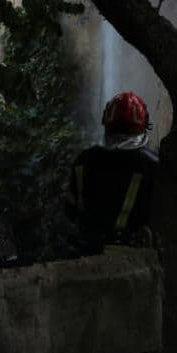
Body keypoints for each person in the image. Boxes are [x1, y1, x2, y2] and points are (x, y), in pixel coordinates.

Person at [66, 91, 159, 255]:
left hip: (83, 253)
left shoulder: (83, 160)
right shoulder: (152, 166)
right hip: (129, 259)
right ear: (144, 124)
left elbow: (70, 211)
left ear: (106, 122)